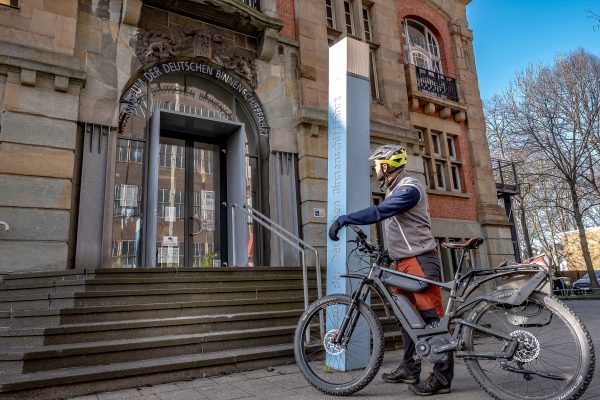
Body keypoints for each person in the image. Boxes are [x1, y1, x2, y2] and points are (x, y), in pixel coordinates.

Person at [328, 144, 453, 396]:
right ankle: (410, 367)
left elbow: (381, 212)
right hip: (403, 263)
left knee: (432, 319)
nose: (375, 170)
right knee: (406, 317)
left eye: (376, 165)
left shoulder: (409, 187)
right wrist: (388, 253)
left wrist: (346, 219)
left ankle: (441, 378)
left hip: (419, 260)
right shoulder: (395, 188)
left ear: (386, 166)